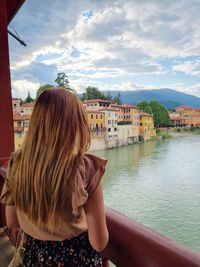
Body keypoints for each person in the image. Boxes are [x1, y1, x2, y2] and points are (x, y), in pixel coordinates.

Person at [0, 88, 109, 266]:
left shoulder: (17, 163)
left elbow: (12, 221)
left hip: (33, 257)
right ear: (77, 124)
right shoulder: (86, 168)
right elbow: (99, 242)